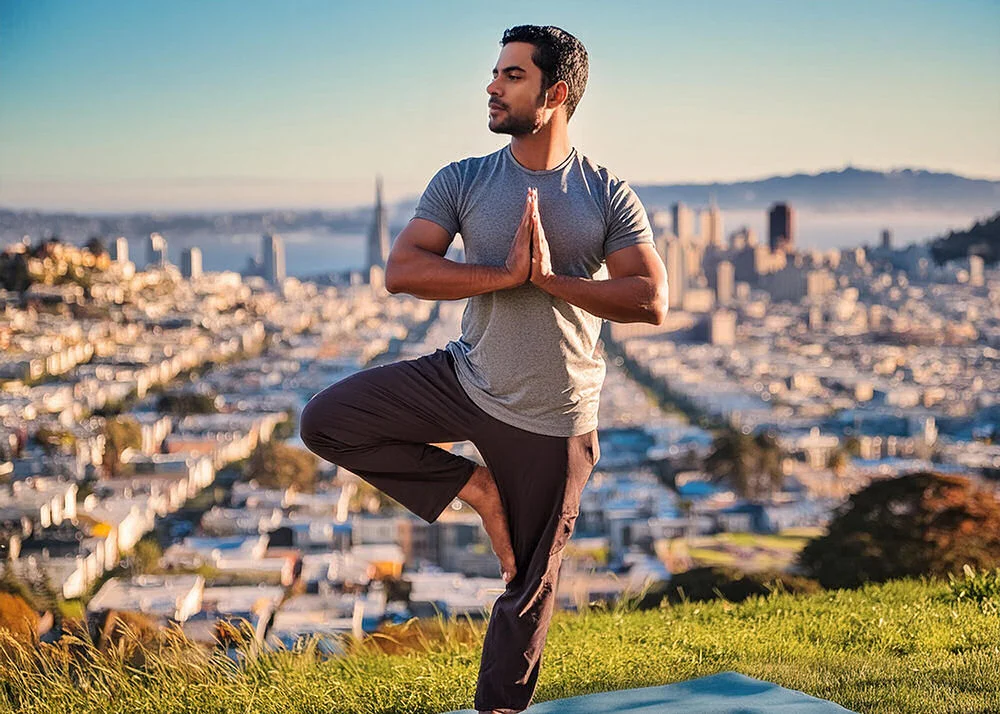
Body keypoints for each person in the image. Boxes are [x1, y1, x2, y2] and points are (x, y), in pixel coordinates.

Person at [299, 24, 668, 714]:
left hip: (555, 413)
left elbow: (651, 298)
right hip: (464, 377)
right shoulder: (464, 178)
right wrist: (504, 274)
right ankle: (478, 487)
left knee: (527, 589)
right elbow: (401, 271)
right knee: (326, 421)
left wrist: (554, 282)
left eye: (512, 76)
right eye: (495, 73)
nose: (492, 86)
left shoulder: (606, 193)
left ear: (555, 94)